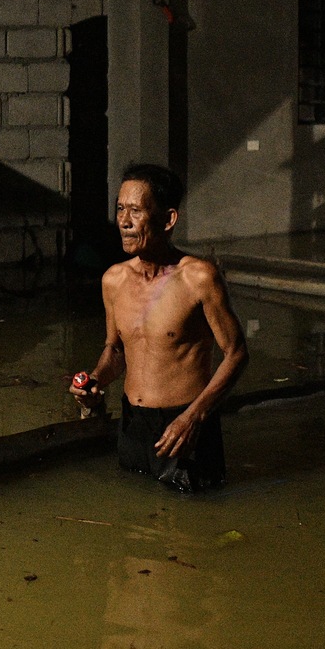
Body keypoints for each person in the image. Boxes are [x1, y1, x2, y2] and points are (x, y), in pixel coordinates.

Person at [71, 164, 247, 493]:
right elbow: (116, 350)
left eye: (135, 211)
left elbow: (236, 354)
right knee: (134, 517)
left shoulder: (199, 278)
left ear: (167, 220)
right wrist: (95, 380)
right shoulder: (113, 280)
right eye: (120, 209)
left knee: (193, 530)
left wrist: (195, 417)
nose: (123, 222)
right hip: (133, 425)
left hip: (185, 425)